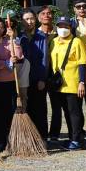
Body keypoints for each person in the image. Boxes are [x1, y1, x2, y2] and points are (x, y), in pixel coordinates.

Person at [48, 16, 86, 149]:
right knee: (64, 112)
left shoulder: (77, 42)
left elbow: (82, 63)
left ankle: (76, 139)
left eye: (66, 26)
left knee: (74, 112)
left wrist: (82, 81)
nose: (63, 29)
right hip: (57, 84)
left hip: (72, 83)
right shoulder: (53, 42)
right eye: (60, 26)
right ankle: (71, 138)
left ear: (71, 28)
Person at [0, 17, 22, 152]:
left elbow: (18, 56)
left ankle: (7, 141)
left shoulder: (9, 42)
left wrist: (14, 39)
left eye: (1, 27)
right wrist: (5, 63)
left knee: (7, 114)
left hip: (8, 83)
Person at [22, 8, 51, 138]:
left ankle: (42, 137)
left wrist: (42, 78)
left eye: (32, 18)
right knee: (25, 108)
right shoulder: (19, 37)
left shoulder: (41, 37)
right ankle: (28, 138)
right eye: (26, 19)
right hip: (23, 79)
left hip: (37, 78)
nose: (29, 21)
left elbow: (44, 59)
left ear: (36, 19)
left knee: (39, 109)